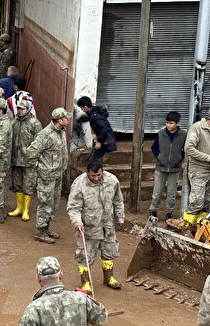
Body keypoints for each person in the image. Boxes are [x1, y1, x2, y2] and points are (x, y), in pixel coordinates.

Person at [67, 157, 125, 292]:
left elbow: (118, 200)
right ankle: (86, 282)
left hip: (107, 225)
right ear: (87, 172)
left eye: (99, 175)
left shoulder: (112, 180)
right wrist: (77, 222)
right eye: (93, 176)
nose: (96, 178)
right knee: (85, 255)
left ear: (102, 171)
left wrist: (120, 217)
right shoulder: (79, 184)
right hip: (88, 227)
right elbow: (73, 207)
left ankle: (109, 277)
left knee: (109, 250)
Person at [180, 104, 210, 228]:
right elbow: (189, 148)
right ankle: (187, 226)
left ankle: (201, 227)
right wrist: (209, 158)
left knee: (208, 200)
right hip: (198, 170)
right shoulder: (197, 128)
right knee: (196, 201)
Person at [28, 108, 70, 244]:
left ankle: (46, 228)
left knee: (53, 204)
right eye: (66, 118)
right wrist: (41, 167)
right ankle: (40, 232)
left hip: (57, 175)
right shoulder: (45, 134)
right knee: (45, 203)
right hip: (46, 176)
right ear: (60, 120)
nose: (68, 120)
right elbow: (30, 153)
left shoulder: (61, 131)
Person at [9, 98, 43, 221]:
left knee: (28, 185)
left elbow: (39, 142)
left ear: (28, 110)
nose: (20, 111)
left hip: (29, 161)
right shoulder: (14, 122)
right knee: (17, 184)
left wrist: (35, 157)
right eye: (18, 108)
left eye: (22, 109)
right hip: (16, 160)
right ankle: (19, 208)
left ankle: (26, 210)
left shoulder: (35, 123)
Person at [149, 111, 186, 220]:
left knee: (171, 193)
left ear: (177, 124)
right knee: (157, 191)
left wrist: (180, 157)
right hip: (161, 167)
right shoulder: (161, 133)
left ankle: (169, 212)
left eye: (171, 123)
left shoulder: (183, 135)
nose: (168, 125)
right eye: (167, 123)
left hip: (175, 169)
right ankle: (153, 211)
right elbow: (154, 147)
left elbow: (186, 148)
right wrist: (159, 156)